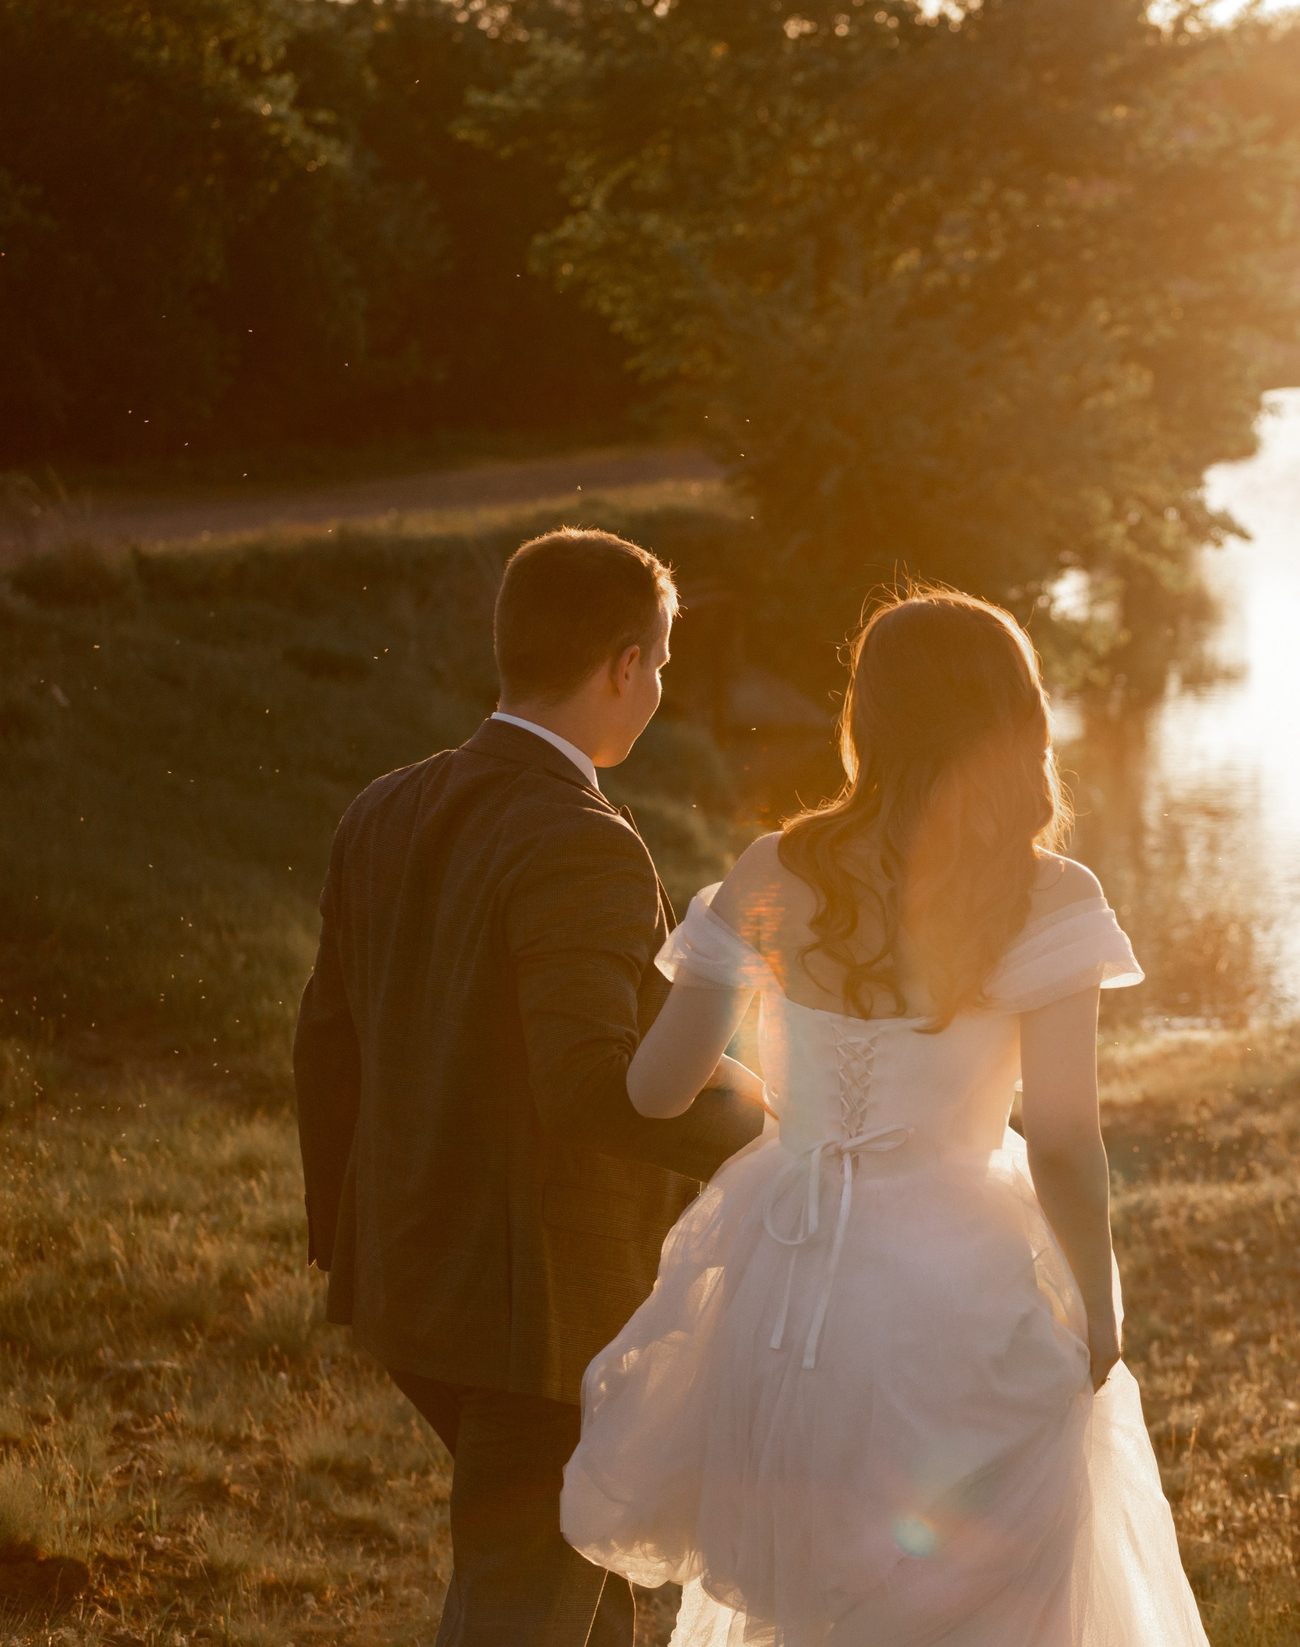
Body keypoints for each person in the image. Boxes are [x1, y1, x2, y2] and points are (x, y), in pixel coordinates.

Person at [560, 588, 1209, 1647]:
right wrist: (1100, 1311)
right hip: (953, 1279)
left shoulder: (777, 869)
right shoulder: (1046, 894)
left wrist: (791, 1110)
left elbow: (655, 1089)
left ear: (868, 715)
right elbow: (1059, 1141)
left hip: (785, 1275)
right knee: (970, 1596)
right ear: (1015, 717)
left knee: (804, 1593)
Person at [292, 528, 768, 1647]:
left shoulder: (385, 805)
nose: (658, 689)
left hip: (414, 1284)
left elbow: (327, 1044)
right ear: (622, 665)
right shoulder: (581, 841)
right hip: (539, 1316)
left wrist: (346, 1239)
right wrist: (767, 1135)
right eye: (658, 664)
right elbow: (592, 1090)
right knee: (525, 1606)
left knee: (588, 1586)